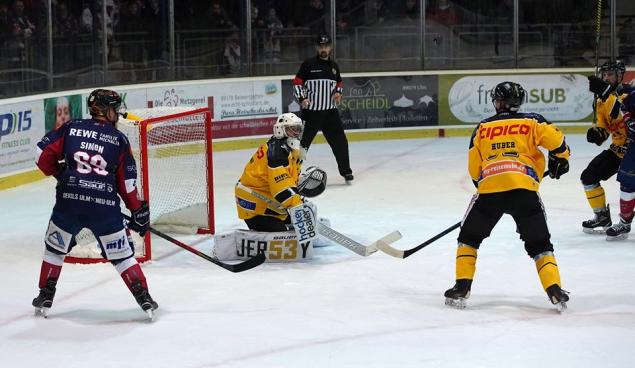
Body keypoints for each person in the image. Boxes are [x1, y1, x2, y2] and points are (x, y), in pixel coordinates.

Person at [444, 81, 571, 311]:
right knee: (541, 245)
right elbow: (559, 143)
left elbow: (474, 171)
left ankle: (462, 287)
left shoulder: (482, 127)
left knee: (469, 239)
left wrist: (487, 187)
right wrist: (561, 158)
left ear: (497, 102)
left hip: (490, 191)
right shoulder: (532, 121)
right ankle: (554, 289)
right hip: (524, 191)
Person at [32, 89, 157, 319]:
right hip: (104, 208)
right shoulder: (119, 139)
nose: (117, 114)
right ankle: (144, 298)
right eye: (115, 110)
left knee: (55, 249)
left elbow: (40, 153)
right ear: (106, 110)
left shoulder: (71, 128)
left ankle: (46, 294)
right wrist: (137, 210)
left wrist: (59, 172)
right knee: (122, 256)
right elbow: (127, 184)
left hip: (69, 202)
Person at [235, 112, 326, 232]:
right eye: (292, 130)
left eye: (298, 129)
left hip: (268, 198)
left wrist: (298, 190)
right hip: (254, 202)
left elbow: (288, 178)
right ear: (280, 130)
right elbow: (280, 188)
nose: (296, 133)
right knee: (285, 235)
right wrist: (298, 203)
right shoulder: (276, 153)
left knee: (297, 226)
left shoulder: (288, 148)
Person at [293, 34, 353, 183]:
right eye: (320, 46)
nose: (323, 49)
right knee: (301, 144)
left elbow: (339, 83)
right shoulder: (308, 64)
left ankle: (346, 172)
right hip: (311, 113)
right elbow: (297, 82)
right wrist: (302, 98)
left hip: (330, 113)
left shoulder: (334, 67)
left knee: (340, 143)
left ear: (330, 47)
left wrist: (338, 93)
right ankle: (292, 172)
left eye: (326, 46)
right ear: (316, 48)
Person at [581, 60, 629, 234]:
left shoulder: (629, 93)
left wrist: (606, 92)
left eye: (610, 74)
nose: (606, 77)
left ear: (620, 76)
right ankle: (601, 216)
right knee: (588, 177)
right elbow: (605, 129)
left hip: (633, 151)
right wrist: (597, 133)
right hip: (618, 151)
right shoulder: (600, 101)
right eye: (605, 74)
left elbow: (619, 110)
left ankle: (625, 221)